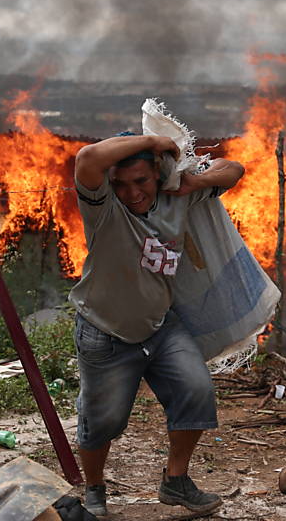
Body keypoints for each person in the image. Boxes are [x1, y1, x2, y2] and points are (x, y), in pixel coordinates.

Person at [69, 133, 245, 516]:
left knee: (196, 390)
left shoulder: (175, 200)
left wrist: (197, 180)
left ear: (158, 177)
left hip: (161, 327)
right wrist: (151, 139)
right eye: (121, 184)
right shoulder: (105, 209)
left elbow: (233, 170)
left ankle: (175, 481)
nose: (132, 193)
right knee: (103, 421)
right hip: (105, 331)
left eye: (141, 181)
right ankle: (95, 489)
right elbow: (87, 158)